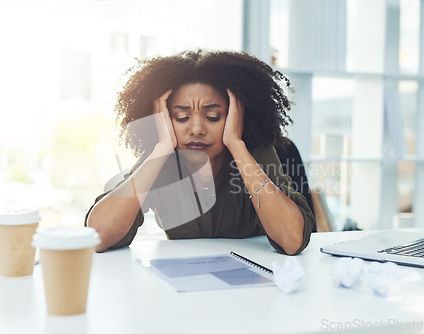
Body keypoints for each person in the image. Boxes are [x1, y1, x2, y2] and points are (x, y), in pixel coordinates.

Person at [85, 50, 315, 255]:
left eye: (213, 117)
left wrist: (236, 143)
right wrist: (162, 148)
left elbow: (292, 240)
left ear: (236, 116)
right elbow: (99, 235)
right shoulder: (161, 158)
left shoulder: (256, 152)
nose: (196, 129)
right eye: (182, 117)